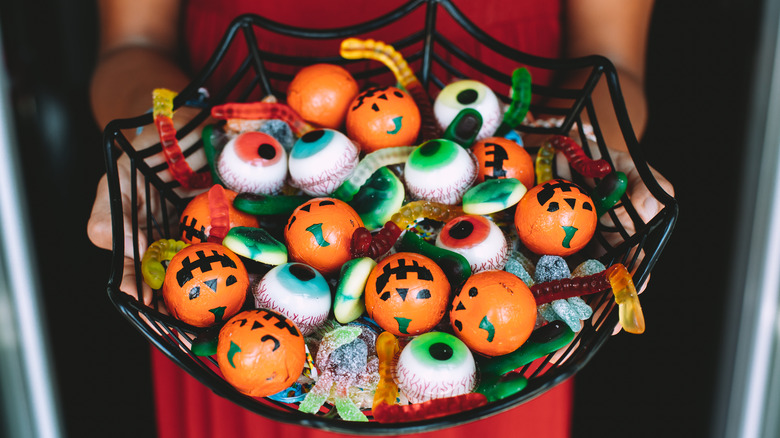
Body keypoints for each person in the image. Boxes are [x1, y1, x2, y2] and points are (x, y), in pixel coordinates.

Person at [87, 1, 672, 437]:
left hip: (499, 361)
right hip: (234, 352)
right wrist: (157, 148)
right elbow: (131, 44)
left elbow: (614, 62)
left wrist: (593, 155)